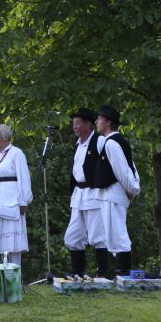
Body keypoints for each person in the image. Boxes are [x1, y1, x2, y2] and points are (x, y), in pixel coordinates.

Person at [93, 106, 140, 276]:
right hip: (111, 194)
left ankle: (123, 273)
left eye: (99, 119)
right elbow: (131, 167)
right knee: (113, 235)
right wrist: (134, 187)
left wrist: (133, 189)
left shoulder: (112, 143)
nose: (96, 122)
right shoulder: (115, 141)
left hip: (113, 194)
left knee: (118, 235)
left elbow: (123, 171)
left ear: (108, 122)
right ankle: (122, 273)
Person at [63, 108, 108, 278]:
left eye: (78, 123)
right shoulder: (78, 144)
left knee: (98, 234)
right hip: (79, 194)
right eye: (73, 124)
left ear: (88, 125)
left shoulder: (99, 141)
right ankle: (78, 272)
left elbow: (110, 164)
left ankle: (102, 273)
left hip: (94, 193)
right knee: (73, 235)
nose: (74, 127)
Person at [0, 124, 33, 266]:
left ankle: (15, 270)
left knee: (12, 234)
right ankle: (4, 270)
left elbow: (24, 177)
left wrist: (24, 201)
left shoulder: (16, 153)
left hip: (11, 198)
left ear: (5, 136)